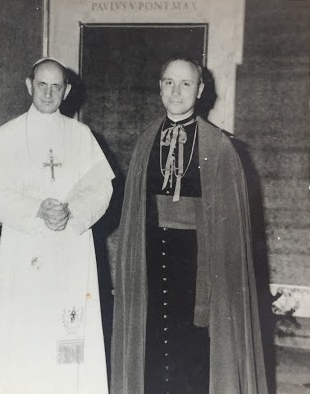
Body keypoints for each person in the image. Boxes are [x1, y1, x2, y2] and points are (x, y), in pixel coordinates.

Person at [110, 56, 268, 394]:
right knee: (153, 343)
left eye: (185, 83)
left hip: (200, 265)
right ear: (160, 87)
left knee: (195, 350)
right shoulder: (145, 141)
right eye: (169, 82)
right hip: (153, 259)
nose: (176, 91)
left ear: (200, 90)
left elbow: (229, 233)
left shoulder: (220, 146)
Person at [0, 57, 114, 394]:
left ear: (66, 91)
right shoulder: (6, 135)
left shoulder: (82, 136)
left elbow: (101, 187)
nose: (49, 93)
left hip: (70, 247)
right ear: (29, 86)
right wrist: (36, 208)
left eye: (56, 87)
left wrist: (71, 211)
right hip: (26, 246)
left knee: (68, 333)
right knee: (28, 331)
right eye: (42, 85)